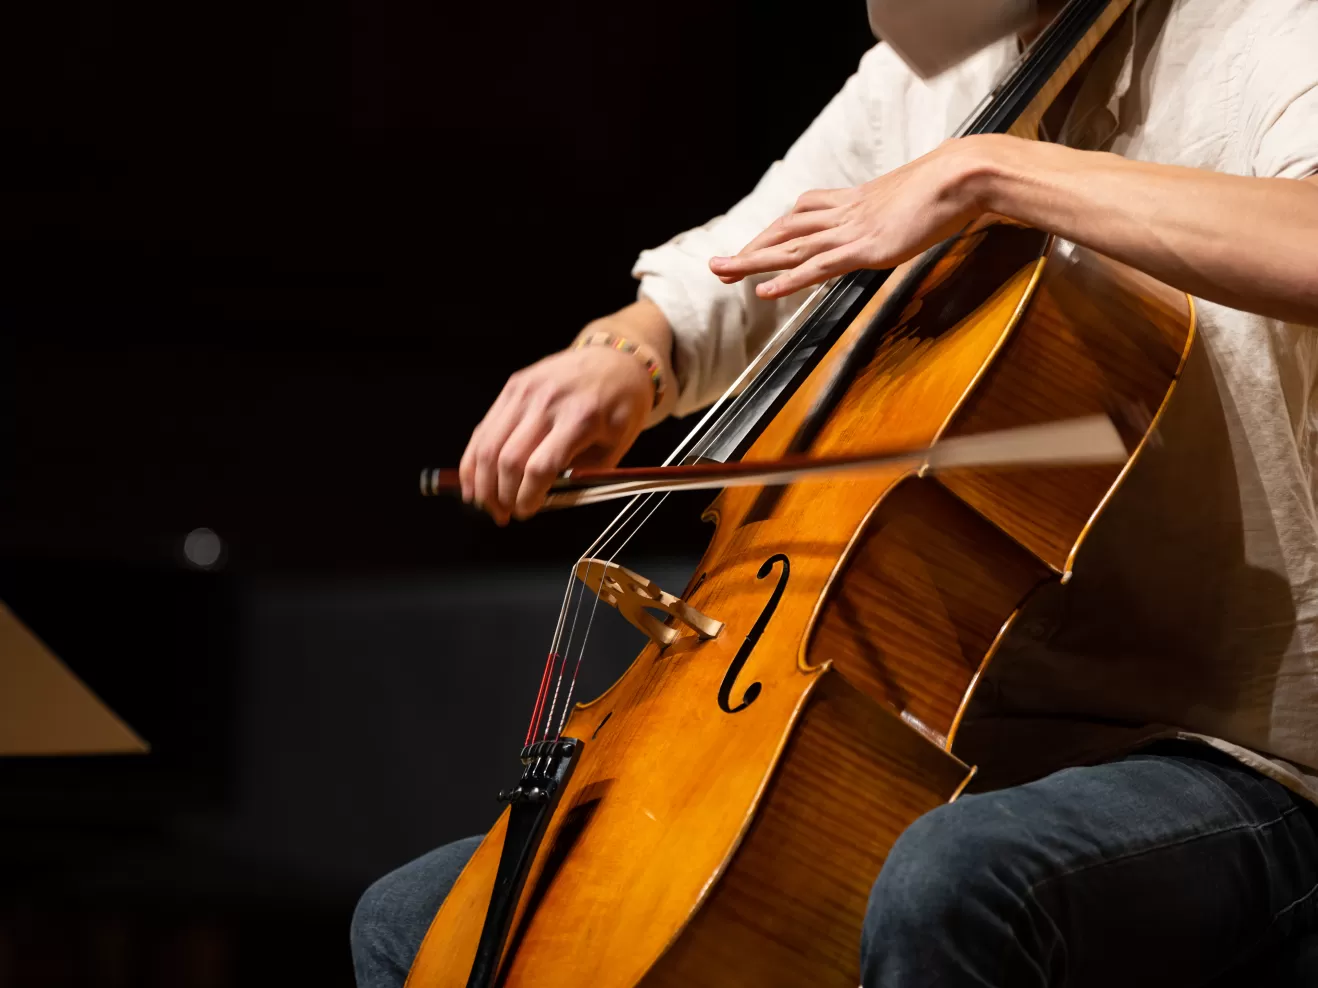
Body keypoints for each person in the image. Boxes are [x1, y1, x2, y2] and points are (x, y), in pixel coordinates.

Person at [352, 0, 1318, 985]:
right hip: (941, 733)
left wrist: (990, 170)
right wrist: (626, 352)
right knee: (416, 923)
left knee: (952, 879)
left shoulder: (1263, 26)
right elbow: (733, 276)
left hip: (1227, 749)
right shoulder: (943, 61)